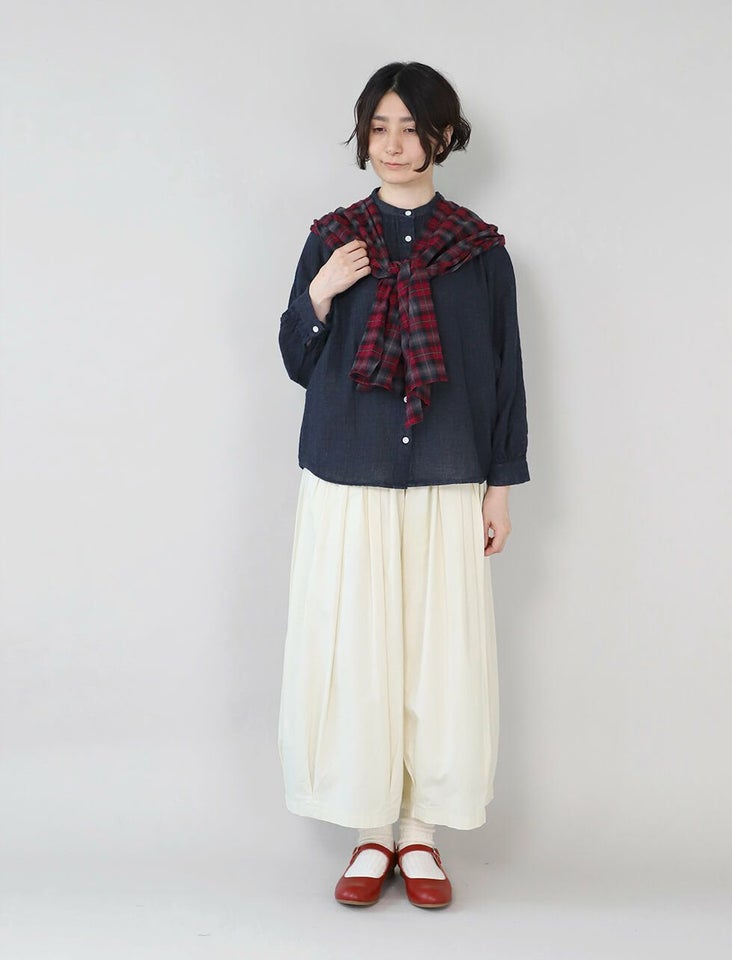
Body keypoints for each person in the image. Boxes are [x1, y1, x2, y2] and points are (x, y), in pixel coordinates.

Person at [277, 61, 530, 909]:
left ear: (443, 137)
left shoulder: (480, 250)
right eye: (379, 126)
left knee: (436, 657)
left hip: (448, 472)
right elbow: (295, 358)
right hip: (348, 471)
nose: (393, 144)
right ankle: (368, 831)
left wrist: (500, 488)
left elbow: (505, 374)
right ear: (363, 135)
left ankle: (420, 835)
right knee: (356, 652)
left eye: (412, 128)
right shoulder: (335, 238)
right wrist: (321, 291)